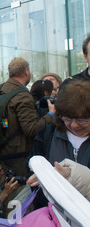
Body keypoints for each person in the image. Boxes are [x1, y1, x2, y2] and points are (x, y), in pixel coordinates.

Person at [27, 79, 90, 208]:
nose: (73, 125)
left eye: (81, 120)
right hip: (53, 211)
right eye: (67, 118)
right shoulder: (49, 131)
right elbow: (33, 159)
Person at [0, 58, 55, 177]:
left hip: (1, 149)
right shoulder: (22, 95)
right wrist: (50, 115)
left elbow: (4, 120)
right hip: (18, 154)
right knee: (20, 191)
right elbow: (30, 129)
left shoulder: (0, 90)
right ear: (26, 71)